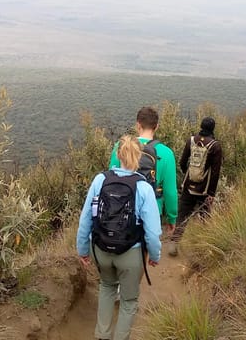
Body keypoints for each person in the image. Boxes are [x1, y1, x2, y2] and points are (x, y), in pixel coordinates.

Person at [77, 134, 162, 340]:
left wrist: (83, 250)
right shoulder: (143, 188)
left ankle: (102, 335)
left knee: (106, 287)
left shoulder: (100, 179)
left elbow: (86, 218)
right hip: (131, 254)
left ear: (118, 155)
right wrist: (154, 255)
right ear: (139, 157)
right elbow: (152, 232)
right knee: (129, 301)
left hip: (101, 249)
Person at [108, 106, 178, 235]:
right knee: (147, 248)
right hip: (151, 212)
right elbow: (170, 191)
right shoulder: (167, 153)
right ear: (156, 126)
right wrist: (171, 217)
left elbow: (111, 176)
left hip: (122, 207)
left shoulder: (121, 146)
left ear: (137, 125)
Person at [168, 117, 223, 256]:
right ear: (213, 129)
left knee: (182, 216)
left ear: (201, 126)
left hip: (188, 186)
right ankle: (203, 249)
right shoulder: (215, 146)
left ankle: (174, 245)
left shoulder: (191, 141)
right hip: (204, 190)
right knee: (204, 218)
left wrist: (188, 174)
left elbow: (182, 162)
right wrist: (211, 193)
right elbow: (215, 172)